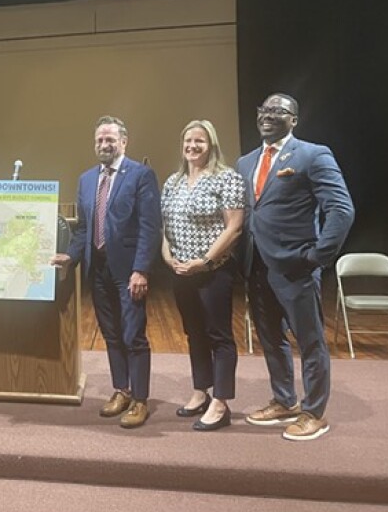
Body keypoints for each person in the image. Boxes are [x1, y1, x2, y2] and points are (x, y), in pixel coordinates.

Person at [237, 92, 354, 441]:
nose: (268, 115)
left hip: (296, 266)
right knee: (271, 338)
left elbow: (341, 209)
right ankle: (284, 400)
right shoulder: (245, 162)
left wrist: (318, 256)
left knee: (310, 341)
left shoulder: (313, 155)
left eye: (278, 110)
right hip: (256, 266)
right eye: (264, 109)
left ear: (294, 120)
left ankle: (314, 412)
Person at [51, 115, 162, 429]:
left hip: (128, 271)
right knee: (111, 334)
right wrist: (71, 256)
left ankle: (140, 400)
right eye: (99, 140)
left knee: (133, 335)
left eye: (110, 139)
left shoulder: (141, 175)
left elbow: (150, 227)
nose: (104, 144)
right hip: (97, 269)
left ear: (123, 142)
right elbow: (84, 229)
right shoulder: (87, 179)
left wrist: (141, 270)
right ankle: (121, 390)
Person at [161, 120, 244, 431]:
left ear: (211, 145)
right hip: (181, 272)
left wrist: (205, 261)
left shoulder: (227, 178)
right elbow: (166, 226)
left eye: (200, 141)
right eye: (188, 140)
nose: (192, 146)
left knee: (218, 335)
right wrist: (167, 256)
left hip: (213, 271)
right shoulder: (173, 182)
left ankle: (221, 403)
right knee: (194, 332)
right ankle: (201, 391)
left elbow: (234, 227)